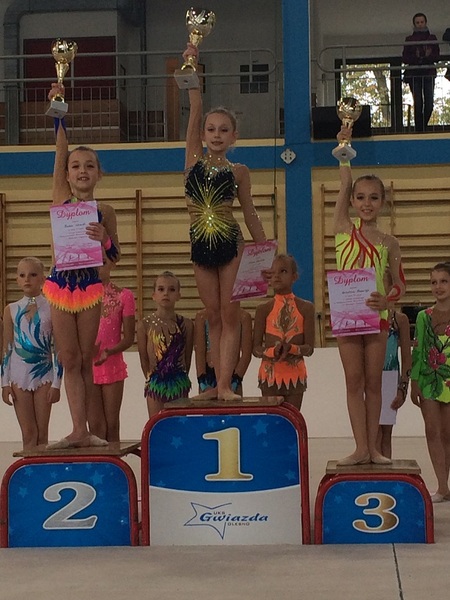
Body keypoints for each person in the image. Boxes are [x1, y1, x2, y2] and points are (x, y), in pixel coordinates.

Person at [183, 42, 267, 401]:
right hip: (200, 244)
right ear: (203, 135)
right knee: (212, 315)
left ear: (234, 137)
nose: (216, 134)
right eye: (211, 129)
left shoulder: (239, 171)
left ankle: (225, 386)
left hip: (230, 243)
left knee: (231, 315)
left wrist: (265, 252)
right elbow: (194, 112)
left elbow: (249, 212)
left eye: (223, 130)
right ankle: (213, 385)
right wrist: (193, 73)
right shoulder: (192, 162)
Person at [43, 83, 121, 449]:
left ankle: (86, 429)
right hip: (60, 285)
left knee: (86, 358)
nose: (82, 170)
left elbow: (115, 257)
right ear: (68, 175)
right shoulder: (61, 197)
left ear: (99, 173)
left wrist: (104, 239)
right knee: (69, 357)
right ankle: (76, 427)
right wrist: (58, 111)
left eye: (89, 166)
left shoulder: (106, 211)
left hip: (90, 286)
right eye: (76, 166)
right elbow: (60, 152)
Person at [333, 127, 406, 466]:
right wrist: (344, 148)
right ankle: (360, 447)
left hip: (377, 317)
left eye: (373, 198)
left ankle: (374, 448)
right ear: (351, 202)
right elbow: (344, 183)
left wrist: (388, 300)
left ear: (383, 202)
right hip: (347, 316)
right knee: (354, 381)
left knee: (374, 382)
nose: (366, 203)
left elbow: (400, 283)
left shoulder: (389, 242)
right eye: (360, 197)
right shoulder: (343, 229)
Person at [2, 257, 62, 450]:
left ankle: (41, 468)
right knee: (29, 434)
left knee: (42, 434)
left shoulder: (52, 307)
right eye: (22, 275)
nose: (27, 279)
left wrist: (57, 383)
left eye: (33, 275)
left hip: (44, 374)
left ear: (43, 279)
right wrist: (4, 382)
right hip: (19, 376)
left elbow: (58, 348)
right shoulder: (11, 310)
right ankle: (29, 469)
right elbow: (7, 348)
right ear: (17, 280)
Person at [253, 254, 315, 410]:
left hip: (295, 374)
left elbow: (309, 348)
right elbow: (256, 349)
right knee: (271, 420)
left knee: (292, 419)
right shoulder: (263, 309)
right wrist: (272, 351)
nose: (277, 276)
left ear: (294, 277)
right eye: (273, 272)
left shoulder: (306, 308)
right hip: (269, 375)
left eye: (283, 271)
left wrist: (291, 348)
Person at [410, 262, 450, 503]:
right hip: (428, 379)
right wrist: (414, 381)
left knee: (447, 433)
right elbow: (418, 350)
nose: (438, 286)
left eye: (443, 281)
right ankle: (442, 486)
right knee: (432, 431)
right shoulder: (424, 317)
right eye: (434, 282)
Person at [137, 271, 194, 418]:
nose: (166, 293)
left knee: (179, 425)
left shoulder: (186, 324)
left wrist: (181, 378)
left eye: (172, 290)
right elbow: (144, 358)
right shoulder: (144, 325)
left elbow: (187, 357)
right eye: (161, 289)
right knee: (157, 423)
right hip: (156, 384)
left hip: (179, 382)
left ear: (179, 295)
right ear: (154, 295)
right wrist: (151, 379)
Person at [91, 258, 136, 442]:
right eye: (93, 262)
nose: (97, 267)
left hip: (112, 364)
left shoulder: (124, 295)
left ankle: (113, 459)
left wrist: (109, 351)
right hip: (88, 365)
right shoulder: (81, 297)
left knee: (112, 424)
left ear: (112, 264)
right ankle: (97, 460)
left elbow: (129, 338)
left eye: (102, 262)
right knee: (95, 427)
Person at [377, 299, 412, 459]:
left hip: (389, 376)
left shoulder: (399, 320)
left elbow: (406, 357)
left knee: (385, 434)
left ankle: (385, 470)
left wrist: (403, 388)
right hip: (370, 377)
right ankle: (372, 470)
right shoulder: (367, 319)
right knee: (373, 433)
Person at [194, 307, 252, 396]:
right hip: (208, 376)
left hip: (233, 376)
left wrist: (236, 380)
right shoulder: (202, 317)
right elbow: (199, 353)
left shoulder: (243, 317)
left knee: (231, 403)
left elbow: (246, 355)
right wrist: (203, 382)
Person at [402, 13, 439, 132]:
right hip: (414, 74)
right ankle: (420, 129)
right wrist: (417, 57)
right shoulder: (409, 39)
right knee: (418, 103)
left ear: (425, 23)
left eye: (422, 22)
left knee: (429, 103)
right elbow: (405, 58)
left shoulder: (432, 38)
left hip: (428, 73)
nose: (420, 25)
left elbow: (436, 56)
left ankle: (421, 128)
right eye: (417, 22)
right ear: (414, 24)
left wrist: (426, 57)